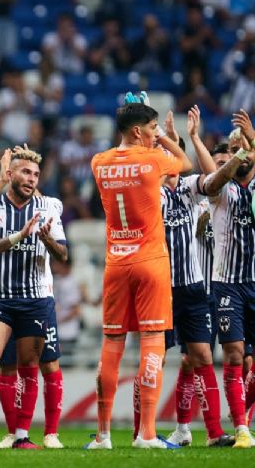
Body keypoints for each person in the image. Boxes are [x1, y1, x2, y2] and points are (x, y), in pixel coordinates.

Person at [87, 93, 193, 449]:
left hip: (116, 262)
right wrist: (164, 138)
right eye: (149, 129)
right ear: (136, 131)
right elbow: (185, 162)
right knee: (151, 341)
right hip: (150, 262)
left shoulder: (98, 162)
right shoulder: (151, 159)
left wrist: (147, 128)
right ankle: (146, 433)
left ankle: (103, 435)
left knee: (112, 343)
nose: (153, 134)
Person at [0, 147, 68, 450]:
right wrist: (18, 237)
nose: (31, 178)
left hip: (35, 299)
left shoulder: (49, 206)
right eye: (25, 172)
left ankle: (23, 435)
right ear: (9, 174)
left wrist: (48, 240)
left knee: (30, 366)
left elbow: (63, 254)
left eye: (35, 174)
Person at [152, 108, 234, 448]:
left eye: (172, 153)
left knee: (199, 356)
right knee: (152, 360)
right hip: (157, 287)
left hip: (194, 287)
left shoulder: (188, 188)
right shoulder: (146, 193)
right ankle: (144, 430)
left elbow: (214, 179)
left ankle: (213, 432)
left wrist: (194, 137)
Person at [199, 111, 255, 449]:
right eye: (233, 148)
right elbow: (215, 179)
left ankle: (243, 417)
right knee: (234, 355)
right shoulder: (220, 189)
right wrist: (238, 152)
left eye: (243, 147)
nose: (239, 152)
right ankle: (242, 430)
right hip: (227, 284)